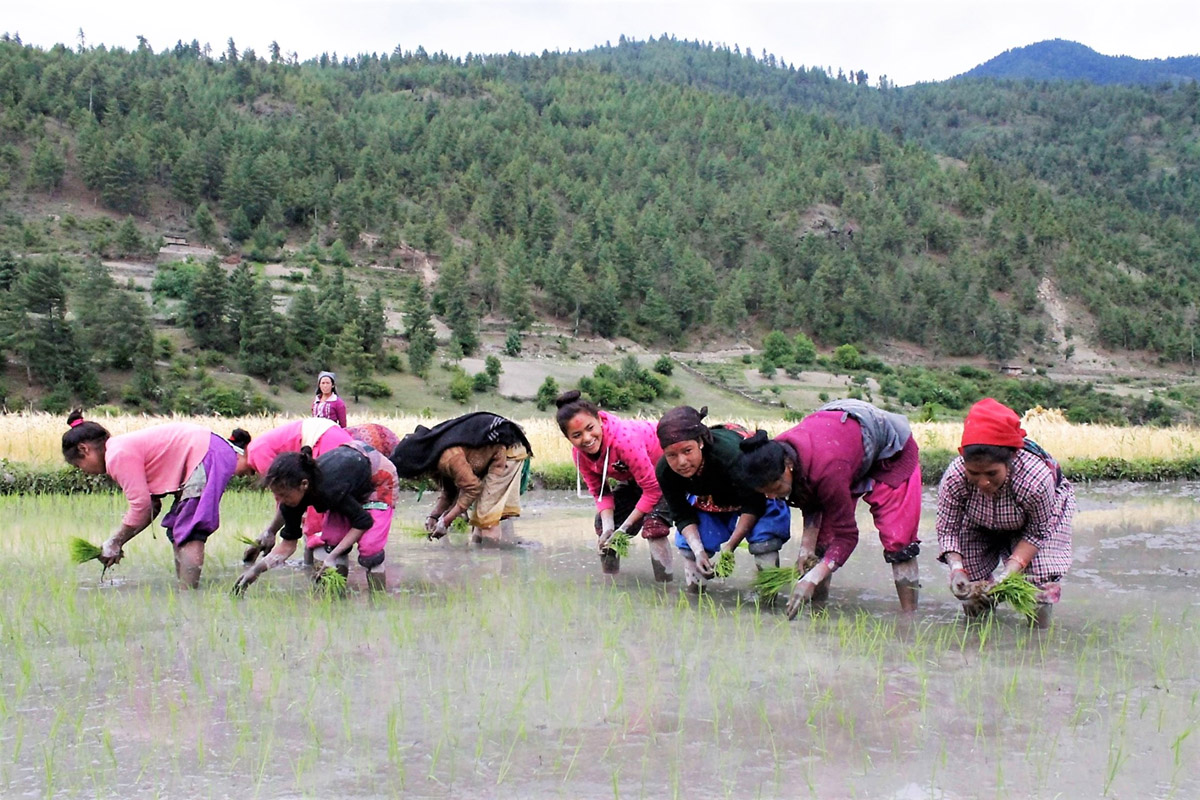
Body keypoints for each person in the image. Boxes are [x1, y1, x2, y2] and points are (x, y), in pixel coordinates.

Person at [738, 399, 923, 618]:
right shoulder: (776, 453)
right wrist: (807, 549)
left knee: (898, 540)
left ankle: (909, 619)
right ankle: (818, 617)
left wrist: (812, 578)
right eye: (765, 492)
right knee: (821, 546)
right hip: (842, 444)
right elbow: (809, 496)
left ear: (788, 467)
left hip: (889, 450)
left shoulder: (826, 469)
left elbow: (848, 537)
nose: (771, 496)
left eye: (776, 488)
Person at [936, 398, 1074, 628]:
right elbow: (948, 528)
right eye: (974, 473)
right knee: (972, 585)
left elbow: (1036, 533)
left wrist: (1009, 572)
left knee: (1036, 581)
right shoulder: (955, 477)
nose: (983, 482)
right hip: (978, 520)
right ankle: (977, 640)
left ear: (1010, 461)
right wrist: (957, 569)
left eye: (991, 473)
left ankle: (1037, 639)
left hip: (1033, 525)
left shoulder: (1035, 479)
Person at [61, 410, 239, 589]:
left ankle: (188, 595)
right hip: (208, 450)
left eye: (78, 465)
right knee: (177, 528)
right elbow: (151, 506)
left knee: (189, 530)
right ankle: (185, 588)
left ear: (84, 449)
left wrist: (114, 541)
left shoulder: (116, 455)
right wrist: (119, 542)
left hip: (206, 453)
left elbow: (141, 506)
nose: (83, 470)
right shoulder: (121, 449)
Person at [654, 405, 791, 594]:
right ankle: (695, 598)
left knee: (764, 543)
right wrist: (699, 551)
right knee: (689, 550)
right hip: (711, 501)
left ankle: (769, 598)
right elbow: (681, 513)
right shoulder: (665, 471)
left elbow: (754, 503)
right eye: (672, 455)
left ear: (700, 442)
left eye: (687, 451)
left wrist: (729, 547)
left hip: (754, 495)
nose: (682, 462)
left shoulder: (730, 456)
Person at [233, 440, 397, 594]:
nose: (281, 501)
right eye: (277, 495)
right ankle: (336, 599)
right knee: (333, 541)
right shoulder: (291, 499)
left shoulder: (328, 490)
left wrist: (331, 558)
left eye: (283, 495)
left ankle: (378, 603)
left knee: (370, 551)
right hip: (346, 480)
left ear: (304, 485)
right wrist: (256, 570)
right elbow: (288, 545)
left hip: (377, 475)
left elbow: (363, 522)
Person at [554, 390, 673, 581]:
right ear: (569, 438)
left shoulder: (624, 441)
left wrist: (623, 528)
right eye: (577, 435)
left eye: (590, 428)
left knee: (654, 524)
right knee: (603, 526)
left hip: (668, 472)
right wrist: (611, 528)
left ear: (600, 420)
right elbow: (600, 492)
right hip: (636, 479)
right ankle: (611, 581)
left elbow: (652, 490)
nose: (586, 438)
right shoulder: (579, 455)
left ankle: (665, 586)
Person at [390, 412, 532, 543]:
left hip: (507, 449)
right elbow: (450, 491)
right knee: (479, 518)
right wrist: (434, 516)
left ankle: (491, 562)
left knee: (487, 519)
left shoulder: (449, 457)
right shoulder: (431, 458)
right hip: (490, 454)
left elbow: (472, 488)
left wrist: (446, 520)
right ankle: (479, 560)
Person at [230, 418, 355, 562]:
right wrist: (272, 531)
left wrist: (270, 532)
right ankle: (311, 565)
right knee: (313, 516)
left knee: (319, 518)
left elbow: (285, 499)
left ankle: (327, 560)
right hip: (331, 436)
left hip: (326, 440)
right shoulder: (258, 448)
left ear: (238, 456)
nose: (234, 474)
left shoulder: (256, 452)